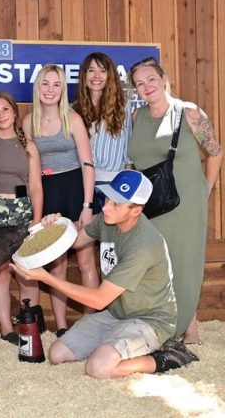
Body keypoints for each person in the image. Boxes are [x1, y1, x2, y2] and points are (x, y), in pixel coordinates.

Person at [12, 169, 199, 379]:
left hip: (149, 320)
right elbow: (75, 240)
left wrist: (46, 278)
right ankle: (116, 346)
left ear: (136, 210)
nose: (106, 207)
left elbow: (99, 299)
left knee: (98, 368)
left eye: (116, 204)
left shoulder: (142, 247)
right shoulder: (108, 219)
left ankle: (168, 357)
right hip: (118, 313)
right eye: (108, 198)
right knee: (57, 354)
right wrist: (54, 226)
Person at [128, 57, 223, 344]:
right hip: (151, 204)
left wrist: (205, 189)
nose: (146, 87)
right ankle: (180, 327)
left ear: (164, 79)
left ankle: (187, 331)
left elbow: (215, 152)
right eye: (139, 84)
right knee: (160, 265)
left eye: (151, 80)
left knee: (184, 264)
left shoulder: (189, 112)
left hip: (186, 203)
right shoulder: (136, 117)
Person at [22, 64, 97, 336]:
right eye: (45, 83)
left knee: (86, 260)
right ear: (38, 88)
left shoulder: (74, 119)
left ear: (63, 89)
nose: (50, 90)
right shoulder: (28, 122)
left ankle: (90, 324)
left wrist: (87, 205)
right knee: (58, 264)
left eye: (56, 84)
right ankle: (62, 326)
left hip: (76, 190)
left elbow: (88, 164)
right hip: (48, 193)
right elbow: (31, 172)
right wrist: (37, 210)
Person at [0, 91, 43, 345]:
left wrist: (37, 219)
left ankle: (29, 322)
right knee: (0, 273)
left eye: (5, 109)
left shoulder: (29, 145)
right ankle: (7, 329)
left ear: (14, 112)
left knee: (27, 272)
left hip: (23, 211)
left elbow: (37, 186)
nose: (1, 115)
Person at [73, 52, 132, 212]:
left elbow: (128, 153)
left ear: (110, 75)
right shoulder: (74, 110)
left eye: (102, 70)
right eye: (91, 70)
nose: (96, 75)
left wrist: (123, 190)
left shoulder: (123, 107)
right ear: (84, 75)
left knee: (111, 237)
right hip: (84, 186)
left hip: (114, 186)